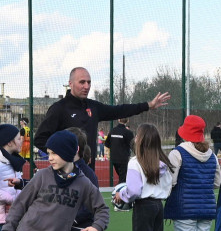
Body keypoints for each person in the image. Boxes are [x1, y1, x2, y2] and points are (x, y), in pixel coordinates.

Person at [33, 67, 170, 168]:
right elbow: (40, 139)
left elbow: (119, 110)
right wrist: (63, 155)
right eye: (82, 82)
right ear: (71, 83)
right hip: (65, 173)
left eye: (89, 82)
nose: (86, 86)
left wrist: (148, 105)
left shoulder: (93, 107)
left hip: (88, 171)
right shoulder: (59, 108)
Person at [105, 118, 134, 184]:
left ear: (118, 120)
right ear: (128, 120)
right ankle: (120, 192)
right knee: (123, 179)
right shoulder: (128, 133)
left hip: (114, 158)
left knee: (122, 177)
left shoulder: (112, 131)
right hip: (123, 159)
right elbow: (133, 146)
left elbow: (107, 144)